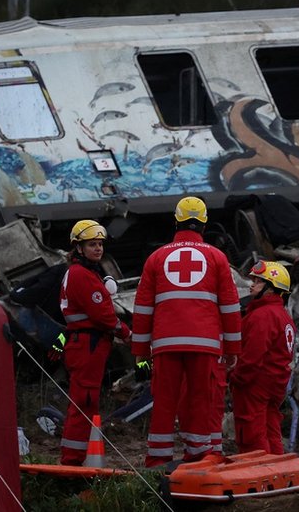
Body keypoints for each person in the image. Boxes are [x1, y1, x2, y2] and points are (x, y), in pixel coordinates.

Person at [132, 196, 241, 468]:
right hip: (204, 344)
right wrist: (232, 349)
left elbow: (142, 309)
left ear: (176, 222)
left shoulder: (156, 258)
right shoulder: (217, 257)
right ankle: (199, 458)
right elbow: (230, 308)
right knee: (201, 400)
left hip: (166, 344)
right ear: (204, 224)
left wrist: (140, 350)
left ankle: (158, 460)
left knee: (164, 401)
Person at [58, 219, 129, 465]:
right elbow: (104, 316)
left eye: (100, 244)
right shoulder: (82, 275)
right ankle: (72, 461)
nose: (98, 248)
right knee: (84, 402)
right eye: (92, 244)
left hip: (87, 344)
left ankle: (77, 457)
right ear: (79, 248)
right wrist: (127, 333)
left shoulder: (83, 272)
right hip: (87, 345)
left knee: (86, 401)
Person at [230, 260, 296, 455]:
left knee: (251, 434)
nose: (252, 285)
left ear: (271, 288)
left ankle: (259, 470)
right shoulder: (283, 316)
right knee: (270, 430)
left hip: (255, 384)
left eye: (258, 281)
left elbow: (252, 355)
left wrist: (236, 378)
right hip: (275, 384)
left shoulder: (262, 315)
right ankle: (277, 468)